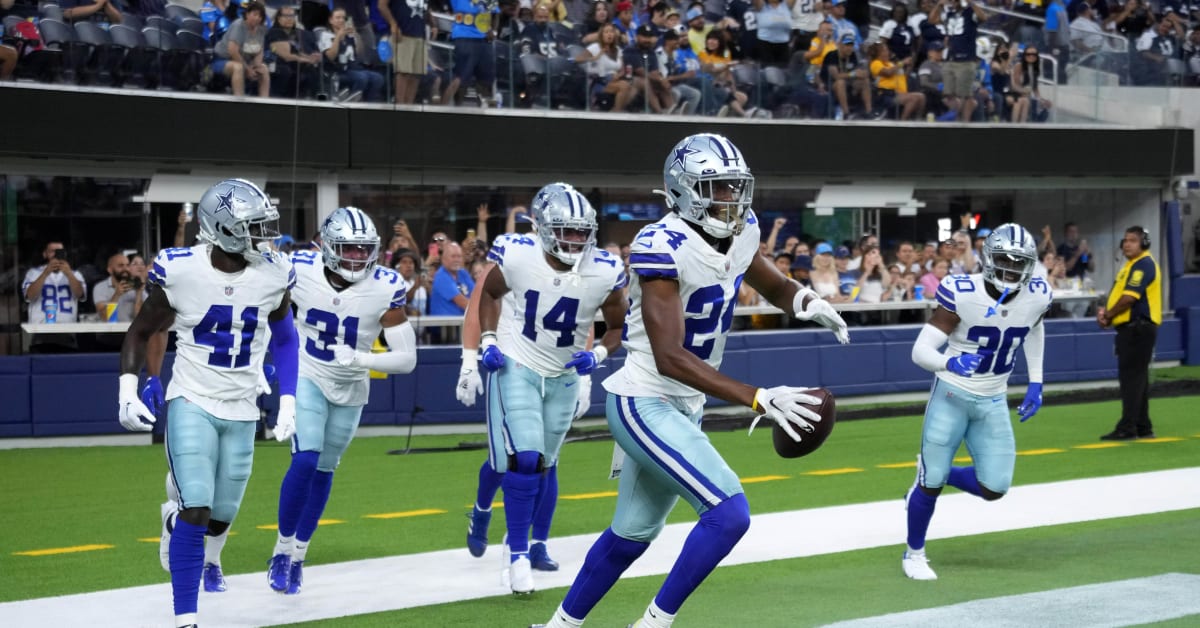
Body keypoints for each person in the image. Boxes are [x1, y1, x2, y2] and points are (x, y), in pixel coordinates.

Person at [532, 133, 849, 628]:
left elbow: (771, 282)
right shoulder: (660, 244)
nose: (731, 199)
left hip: (683, 403)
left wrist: (809, 302)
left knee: (631, 535)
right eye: (717, 188)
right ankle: (654, 623)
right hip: (644, 397)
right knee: (729, 514)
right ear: (682, 190)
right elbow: (668, 357)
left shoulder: (742, 232)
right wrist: (758, 398)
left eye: (734, 187)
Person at [118, 179, 299, 628]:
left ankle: (176, 524)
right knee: (197, 507)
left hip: (242, 409)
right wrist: (128, 387)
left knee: (220, 518)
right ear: (224, 229)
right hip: (193, 399)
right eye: (255, 228)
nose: (265, 238)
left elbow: (286, 336)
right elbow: (141, 330)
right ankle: (186, 618)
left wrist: (290, 398)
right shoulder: (183, 270)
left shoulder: (275, 273)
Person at [458, 183, 628, 594]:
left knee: (544, 465)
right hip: (518, 362)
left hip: (565, 373)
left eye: (581, 231)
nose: (574, 239)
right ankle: (514, 552)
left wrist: (599, 358)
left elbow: (618, 326)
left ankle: (529, 542)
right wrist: (488, 342)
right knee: (522, 460)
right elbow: (490, 295)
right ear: (543, 228)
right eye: (565, 230)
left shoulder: (604, 268)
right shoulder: (517, 253)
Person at [266, 207, 418, 594]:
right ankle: (281, 551)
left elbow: (407, 359)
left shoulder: (385, 285)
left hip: (351, 387)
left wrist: (363, 359)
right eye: (348, 248)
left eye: (362, 249)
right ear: (329, 246)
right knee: (305, 458)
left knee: (324, 470)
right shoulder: (298, 268)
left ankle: (300, 553)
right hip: (308, 374)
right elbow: (262, 307)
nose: (355, 256)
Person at [903, 223, 1051, 581]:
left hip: (993, 398)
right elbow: (920, 351)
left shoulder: (1038, 294)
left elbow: (1034, 327)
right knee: (931, 481)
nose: (1012, 270)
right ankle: (914, 553)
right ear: (988, 258)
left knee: (994, 487)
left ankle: (933, 473)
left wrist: (1036, 381)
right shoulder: (962, 292)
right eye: (1005, 261)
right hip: (951, 394)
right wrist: (948, 361)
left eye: (1020, 264)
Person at [1096, 226, 1160, 441]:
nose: (1127, 244)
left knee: (1131, 379)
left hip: (1137, 328)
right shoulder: (1132, 265)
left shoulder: (1142, 265)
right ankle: (1142, 425)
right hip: (1133, 328)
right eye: (1125, 240)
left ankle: (1128, 427)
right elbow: (1120, 296)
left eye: (1133, 240)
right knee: (1137, 378)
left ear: (1144, 243)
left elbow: (1129, 298)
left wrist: (1109, 315)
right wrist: (1108, 315)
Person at [22, 240, 87, 353]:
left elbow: (80, 294)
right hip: (41, 331)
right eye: (52, 251)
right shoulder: (33, 273)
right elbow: (30, 296)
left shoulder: (75, 274)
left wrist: (69, 274)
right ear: (45, 254)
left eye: (59, 251)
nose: (56, 254)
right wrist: (46, 273)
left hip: (67, 331)